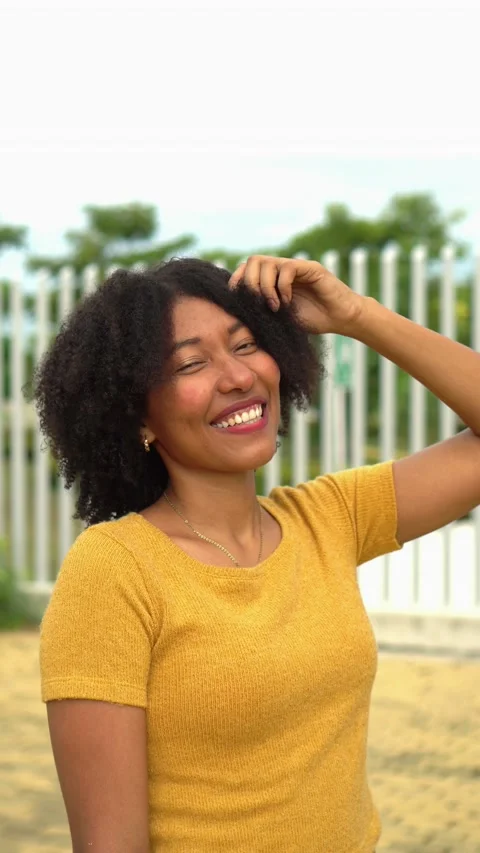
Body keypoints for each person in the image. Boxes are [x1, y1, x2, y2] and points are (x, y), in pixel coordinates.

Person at [35, 254, 480, 853]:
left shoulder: (329, 519)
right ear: (138, 416)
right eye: (191, 363)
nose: (238, 377)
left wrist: (357, 315)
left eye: (246, 346)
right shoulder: (115, 570)